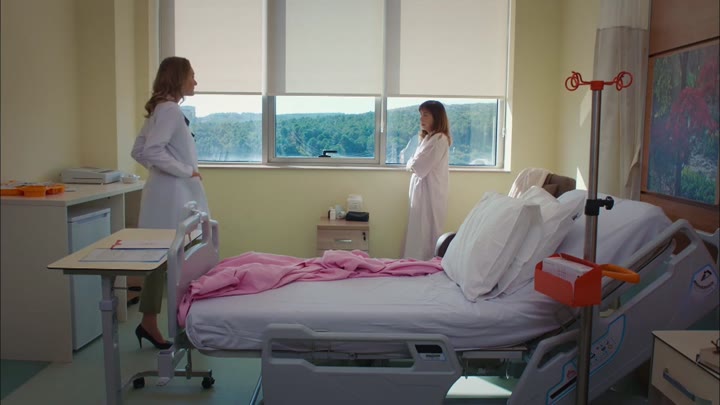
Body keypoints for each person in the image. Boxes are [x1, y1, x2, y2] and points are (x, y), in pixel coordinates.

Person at [130, 56, 210, 349]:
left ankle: (150, 322)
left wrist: (165, 171)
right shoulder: (170, 111)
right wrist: (185, 171)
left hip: (163, 193)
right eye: (191, 76)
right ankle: (185, 322)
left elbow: (139, 151)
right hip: (174, 195)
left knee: (160, 260)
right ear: (178, 78)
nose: (195, 82)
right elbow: (151, 152)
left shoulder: (159, 109)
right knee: (182, 258)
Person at [402, 100, 451, 261]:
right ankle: (414, 264)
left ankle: (425, 266)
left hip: (430, 195)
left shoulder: (439, 139)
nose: (421, 118)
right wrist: (412, 162)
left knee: (426, 233)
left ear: (436, 117)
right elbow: (412, 163)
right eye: (421, 115)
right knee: (418, 232)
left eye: (426, 115)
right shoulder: (428, 138)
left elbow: (417, 166)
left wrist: (412, 162)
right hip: (422, 193)